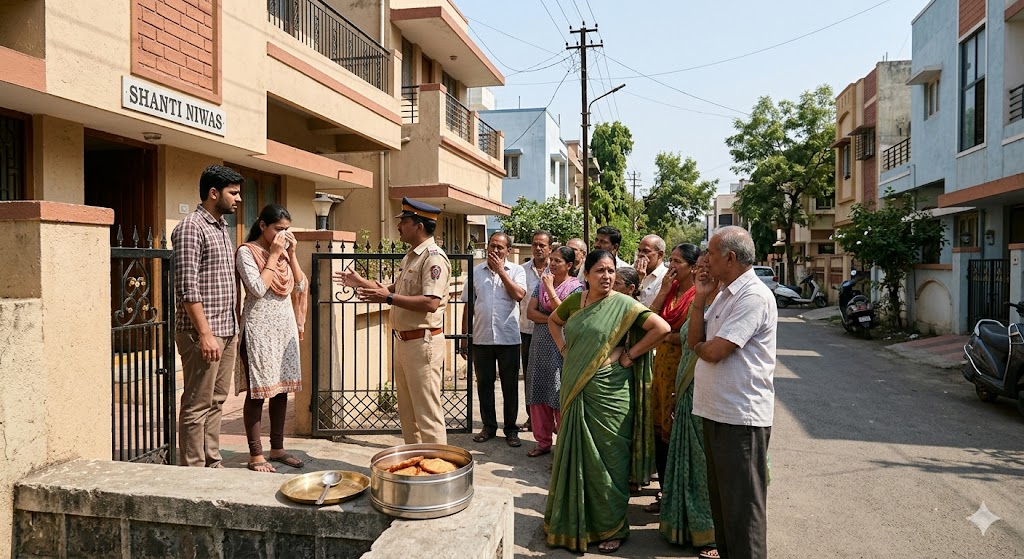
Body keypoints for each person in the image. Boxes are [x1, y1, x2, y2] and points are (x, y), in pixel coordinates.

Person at [544, 250, 671, 554]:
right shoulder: (576, 301)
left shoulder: (624, 304)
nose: (607, 276)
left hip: (611, 392)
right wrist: (564, 350)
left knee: (610, 462)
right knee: (576, 456)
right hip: (576, 386)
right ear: (586, 275)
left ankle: (612, 527)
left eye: (611, 271)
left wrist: (630, 355)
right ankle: (574, 522)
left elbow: (662, 328)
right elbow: (553, 321)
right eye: (600, 271)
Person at [688, 226, 777, 559]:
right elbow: (695, 340)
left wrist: (701, 347)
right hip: (717, 412)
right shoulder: (724, 293)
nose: (706, 260)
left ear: (730, 257)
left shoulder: (753, 295)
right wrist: (700, 297)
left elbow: (714, 351)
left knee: (744, 515)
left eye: (711, 254)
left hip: (741, 418)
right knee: (725, 510)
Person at [335, 197, 452, 444]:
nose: (399, 227)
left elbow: (430, 302)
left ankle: (438, 466)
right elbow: (394, 290)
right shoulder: (412, 256)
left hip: (423, 344)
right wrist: (361, 283)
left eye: (404, 222)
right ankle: (416, 461)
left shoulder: (433, 258)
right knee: (408, 413)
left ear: (420, 226)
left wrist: (387, 298)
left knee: (427, 414)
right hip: (405, 342)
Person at [172, 164, 244, 468]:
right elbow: (187, 287)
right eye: (233, 193)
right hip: (201, 332)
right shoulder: (191, 227)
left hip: (227, 329)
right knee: (196, 403)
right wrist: (205, 334)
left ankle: (212, 463)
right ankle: (193, 470)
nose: (239, 199)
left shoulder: (221, 227)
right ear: (214, 193)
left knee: (216, 401)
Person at [234, 204, 308, 472]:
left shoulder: (285, 253)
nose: (282, 235)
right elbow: (256, 288)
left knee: (281, 391)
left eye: (287, 230)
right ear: (263, 225)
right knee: (258, 392)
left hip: (284, 329)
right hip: (259, 329)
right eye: (278, 229)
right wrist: (274, 255)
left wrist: (292, 253)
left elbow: (300, 285)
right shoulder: (246, 252)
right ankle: (256, 455)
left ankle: (277, 448)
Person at [661, 252, 718, 558]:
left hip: (709, 394)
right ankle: (684, 525)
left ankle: (711, 532)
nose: (702, 271)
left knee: (704, 465)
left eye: (709, 266)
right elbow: (688, 346)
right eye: (700, 267)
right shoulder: (700, 301)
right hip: (686, 389)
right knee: (688, 461)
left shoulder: (726, 303)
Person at [644, 243, 701, 513]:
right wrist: (663, 292)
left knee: (675, 432)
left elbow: (692, 336)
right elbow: (649, 320)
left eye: (678, 261)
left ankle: (675, 496)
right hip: (660, 370)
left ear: (693, 267)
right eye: (672, 260)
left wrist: (664, 336)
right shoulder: (670, 290)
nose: (672, 266)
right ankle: (664, 491)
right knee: (660, 432)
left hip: (682, 369)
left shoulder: (698, 295)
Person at [462, 232, 527, 447]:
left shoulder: (517, 271)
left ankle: (511, 429)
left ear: (508, 250)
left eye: (500, 247)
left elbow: (519, 295)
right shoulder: (475, 272)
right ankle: (489, 426)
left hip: (508, 338)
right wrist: (464, 337)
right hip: (482, 338)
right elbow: (468, 306)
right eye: (492, 246)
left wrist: (501, 271)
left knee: (510, 386)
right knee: (484, 385)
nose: (496, 250)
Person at [524, 246, 583, 457]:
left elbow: (567, 315)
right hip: (539, 346)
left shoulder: (576, 288)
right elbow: (530, 313)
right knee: (538, 391)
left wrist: (550, 290)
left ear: (569, 265)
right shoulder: (541, 284)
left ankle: (563, 446)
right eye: (552, 259)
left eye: (558, 261)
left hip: (560, 347)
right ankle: (542, 442)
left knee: (558, 393)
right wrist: (553, 320)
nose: (553, 264)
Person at [519, 230, 552, 433]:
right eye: (535, 245)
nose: (538, 248)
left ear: (550, 248)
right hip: (526, 331)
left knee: (551, 376)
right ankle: (532, 418)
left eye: (542, 245)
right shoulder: (521, 270)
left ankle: (551, 419)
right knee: (530, 377)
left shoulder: (556, 269)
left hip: (552, 333)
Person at [635, 235, 668, 307]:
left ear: (660, 254)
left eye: (646, 251)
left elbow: (648, 309)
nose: (640, 255)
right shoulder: (633, 269)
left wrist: (639, 280)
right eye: (639, 251)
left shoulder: (665, 278)